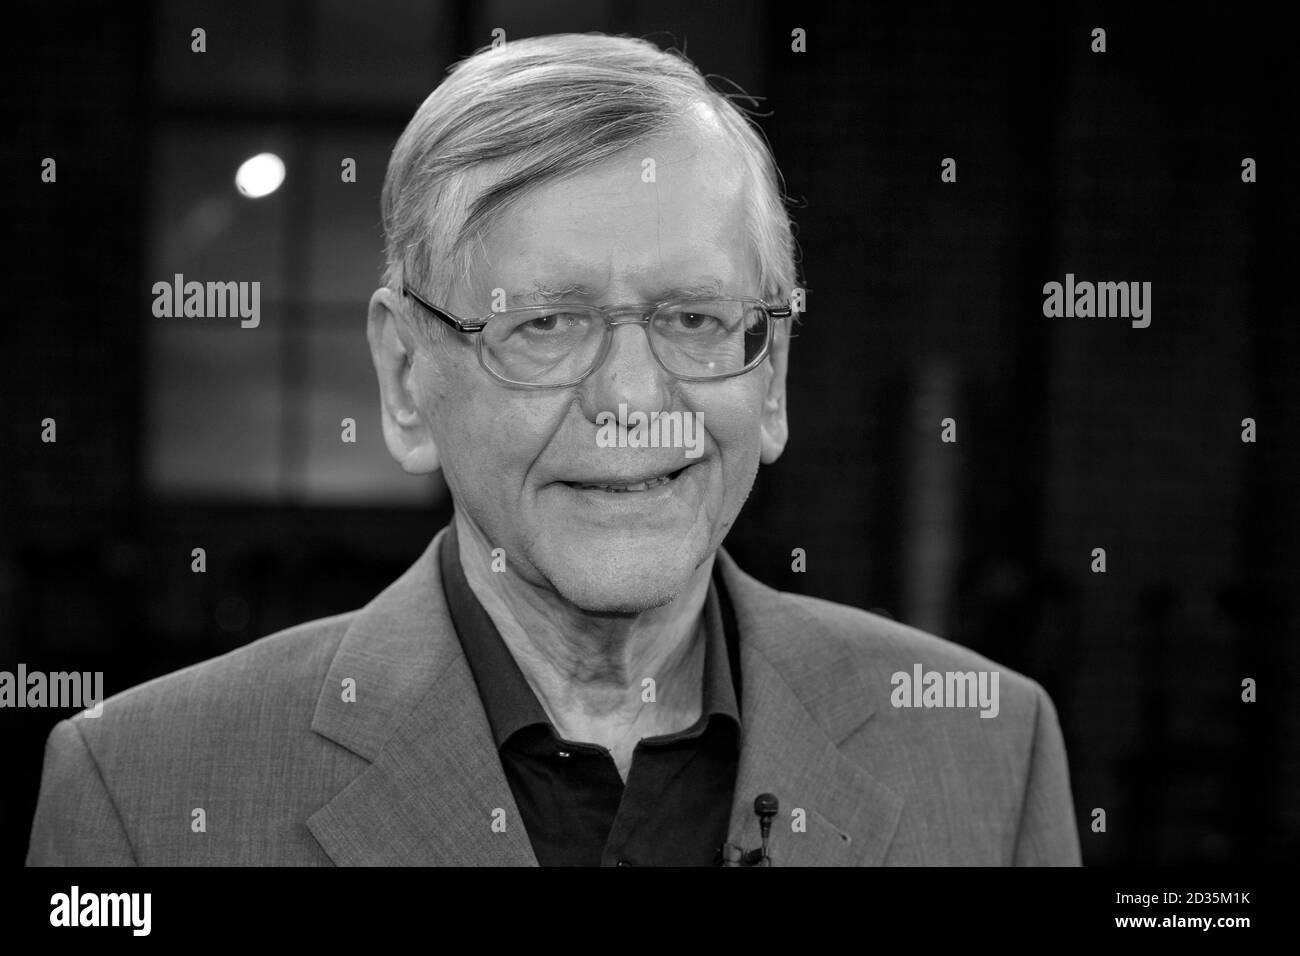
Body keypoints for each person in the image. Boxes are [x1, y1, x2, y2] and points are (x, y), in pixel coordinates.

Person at [27, 33, 1080, 866]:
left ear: (773, 375)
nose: (631, 400)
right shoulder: (143, 792)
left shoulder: (990, 752)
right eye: (542, 323)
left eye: (696, 318)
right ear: (404, 377)